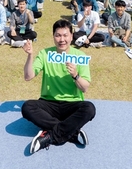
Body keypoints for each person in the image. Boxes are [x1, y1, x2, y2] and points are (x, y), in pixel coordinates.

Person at [22, 19, 95, 154]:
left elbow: (84, 88)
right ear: (53, 36)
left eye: (65, 35)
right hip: (49, 103)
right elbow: (28, 76)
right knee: (27, 107)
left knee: (89, 108)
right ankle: (71, 133)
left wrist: (76, 75)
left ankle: (49, 137)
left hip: (72, 104)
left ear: (72, 36)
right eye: (58, 35)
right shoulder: (45, 54)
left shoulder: (80, 56)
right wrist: (30, 55)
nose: (62, 39)